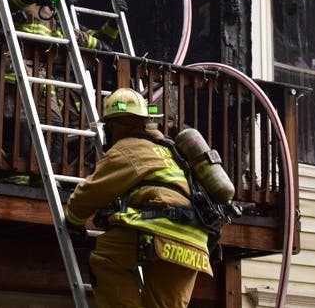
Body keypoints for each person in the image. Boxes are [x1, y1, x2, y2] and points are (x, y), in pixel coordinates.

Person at [64, 87, 211, 308]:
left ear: (115, 125)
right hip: (195, 242)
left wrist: (74, 220)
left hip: (159, 229)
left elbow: (90, 193)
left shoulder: (126, 149)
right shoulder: (170, 149)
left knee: (105, 260)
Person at [0, 0, 119, 184]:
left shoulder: (52, 8)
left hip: (43, 73)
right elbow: (1, 3)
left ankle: (46, 175)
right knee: (22, 117)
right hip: (14, 66)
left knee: (54, 122)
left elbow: (78, 36)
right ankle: (21, 172)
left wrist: (111, 27)